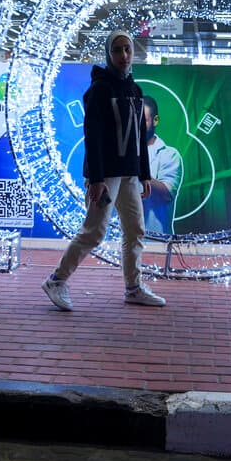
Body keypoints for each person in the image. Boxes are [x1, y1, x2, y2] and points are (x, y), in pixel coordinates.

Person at [42, 29, 166, 310]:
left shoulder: (135, 90)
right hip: (106, 176)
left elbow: (138, 137)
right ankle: (56, 280)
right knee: (95, 231)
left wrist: (144, 173)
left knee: (135, 229)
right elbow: (93, 136)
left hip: (130, 174)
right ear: (108, 53)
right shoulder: (99, 89)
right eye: (117, 50)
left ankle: (133, 288)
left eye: (127, 49)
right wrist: (96, 179)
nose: (123, 55)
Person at [142, 94, 183, 235]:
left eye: (144, 121)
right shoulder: (121, 153)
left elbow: (167, 194)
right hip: (120, 241)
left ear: (155, 120)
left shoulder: (169, 154)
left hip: (156, 241)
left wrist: (138, 172)